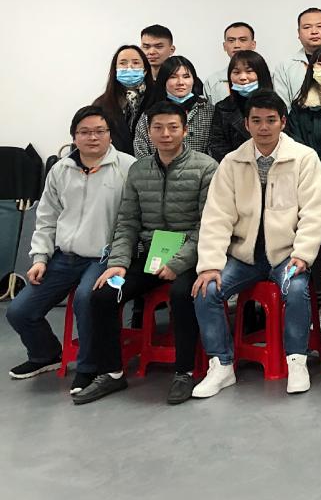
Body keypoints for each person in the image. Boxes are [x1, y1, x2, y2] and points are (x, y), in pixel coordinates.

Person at [74, 102, 217, 405]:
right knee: (104, 293)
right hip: (151, 255)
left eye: (173, 127)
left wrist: (179, 262)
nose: (165, 134)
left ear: (185, 130)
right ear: (149, 132)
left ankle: (184, 372)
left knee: (182, 293)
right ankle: (111, 372)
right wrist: (118, 264)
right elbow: (127, 222)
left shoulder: (206, 167)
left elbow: (208, 226)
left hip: (190, 257)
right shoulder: (139, 170)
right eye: (158, 128)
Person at [191, 91, 321, 398]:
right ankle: (222, 365)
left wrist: (303, 254)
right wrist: (210, 265)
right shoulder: (231, 162)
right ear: (246, 124)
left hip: (287, 254)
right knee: (206, 289)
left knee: (296, 289)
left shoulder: (304, 158)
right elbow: (216, 217)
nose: (264, 127)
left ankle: (297, 361)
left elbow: (313, 212)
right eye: (256, 121)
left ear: (283, 122)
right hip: (244, 257)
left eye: (270, 120)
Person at [5, 107, 134, 393]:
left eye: (100, 131)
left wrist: (121, 257)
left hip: (104, 257)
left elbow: (134, 219)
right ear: (74, 136)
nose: (93, 137)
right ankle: (45, 355)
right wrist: (40, 258)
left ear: (110, 135)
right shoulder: (61, 169)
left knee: (86, 301)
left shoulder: (127, 167)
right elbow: (46, 218)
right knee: (20, 311)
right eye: (84, 132)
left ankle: (89, 368)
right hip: (64, 257)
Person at [133, 56, 212, 158]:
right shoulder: (150, 114)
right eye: (173, 77)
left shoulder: (208, 111)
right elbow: (141, 151)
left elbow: (214, 150)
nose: (180, 82)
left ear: (194, 80)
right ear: (163, 80)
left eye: (186, 76)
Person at [209, 50, 274, 162]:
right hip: (234, 167)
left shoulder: (275, 104)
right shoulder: (222, 107)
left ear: (261, 74)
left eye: (249, 71)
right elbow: (217, 146)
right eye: (236, 72)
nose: (243, 77)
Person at [92, 45, 151, 157]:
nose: (129, 67)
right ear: (115, 70)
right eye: (123, 63)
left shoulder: (157, 99)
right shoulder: (101, 105)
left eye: (136, 63)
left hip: (151, 163)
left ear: (145, 70)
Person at [207, 22, 257, 104]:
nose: (236, 45)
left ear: (253, 44)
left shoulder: (270, 77)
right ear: (224, 46)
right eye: (231, 40)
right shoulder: (214, 81)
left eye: (242, 40)